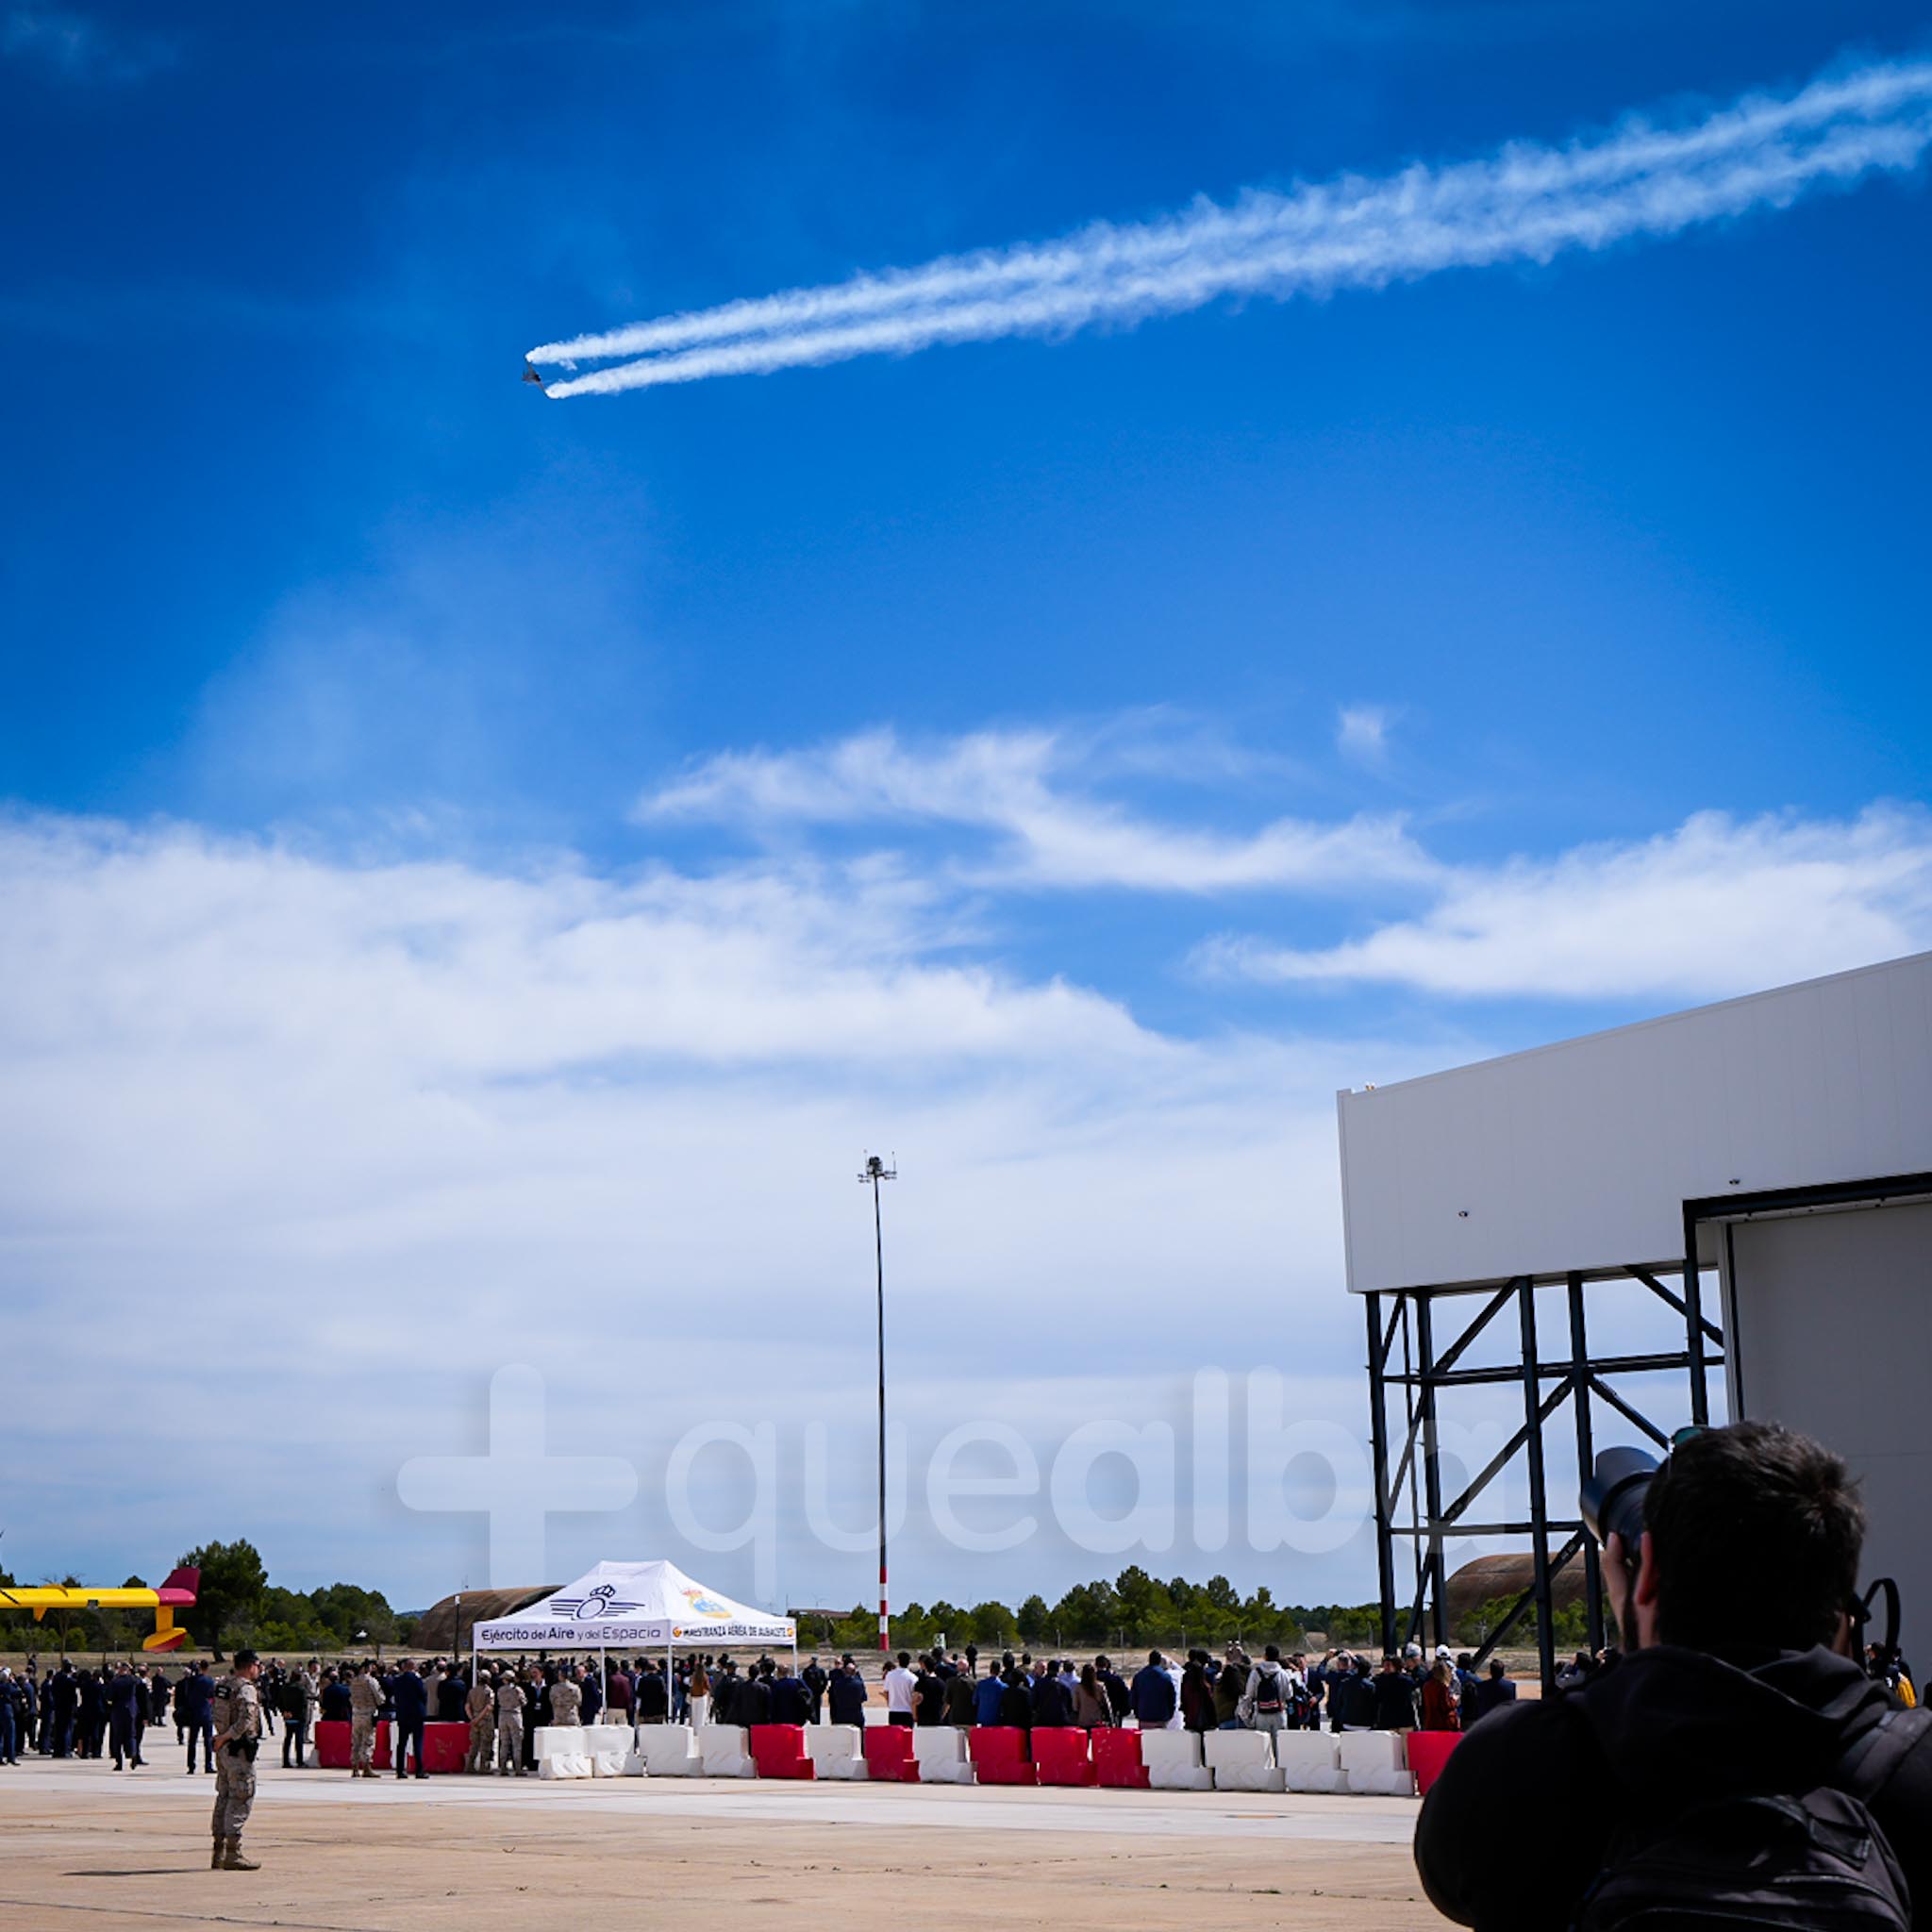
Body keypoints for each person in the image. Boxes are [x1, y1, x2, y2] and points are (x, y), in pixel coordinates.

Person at [1417, 1421, 1932, 1929]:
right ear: (1840, 1601)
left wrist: (1631, 1652)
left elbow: (1449, 1883)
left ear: (1645, 1582)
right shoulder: (1908, 1769)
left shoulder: (1518, 1763)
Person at [207, 1649, 264, 1872]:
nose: (259, 1669)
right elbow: (246, 1720)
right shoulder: (245, 1689)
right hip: (237, 1749)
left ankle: (218, 1851)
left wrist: (221, 1737)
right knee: (241, 1796)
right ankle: (233, 1853)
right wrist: (227, 1736)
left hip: (223, 1749)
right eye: (257, 1665)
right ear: (250, 1666)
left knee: (223, 1796)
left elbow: (216, 1713)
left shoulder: (223, 1685)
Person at [391, 1660, 429, 1778]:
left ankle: (400, 1770)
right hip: (416, 1714)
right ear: (413, 1667)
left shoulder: (397, 1680)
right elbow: (422, 1695)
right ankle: (419, 1770)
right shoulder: (416, 1680)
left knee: (402, 1743)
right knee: (417, 1742)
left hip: (403, 1713)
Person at [348, 1661, 383, 1779]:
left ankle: (355, 1767)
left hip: (356, 1713)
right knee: (368, 1741)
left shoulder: (354, 1681)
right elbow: (380, 1698)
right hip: (368, 1712)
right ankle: (367, 1767)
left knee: (356, 1741)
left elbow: (351, 1698)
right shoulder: (371, 1681)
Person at [1372, 1654, 1420, 1731]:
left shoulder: (1380, 1680)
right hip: (1401, 1720)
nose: (1385, 1668)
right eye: (1384, 1665)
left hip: (1392, 1721)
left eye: (1388, 1665)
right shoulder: (1407, 1680)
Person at [1131, 1650, 1177, 1729]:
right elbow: (1171, 1697)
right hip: (1161, 1717)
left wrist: (1137, 1712)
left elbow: (1133, 1697)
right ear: (1159, 1661)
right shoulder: (1165, 1677)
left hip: (1144, 1716)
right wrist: (1170, 1714)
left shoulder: (1139, 1676)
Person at [494, 1670, 526, 1776]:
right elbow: (524, 1702)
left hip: (503, 1715)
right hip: (514, 1715)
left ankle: (503, 1768)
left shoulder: (500, 1690)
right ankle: (518, 1768)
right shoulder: (517, 1690)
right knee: (516, 1743)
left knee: (504, 1743)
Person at [1464, 1657, 1516, 1724]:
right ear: (1503, 1672)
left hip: (1486, 1719)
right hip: (1504, 1718)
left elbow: (1478, 1702)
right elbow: (1512, 1704)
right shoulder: (1511, 1686)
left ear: (1491, 1672)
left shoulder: (1482, 1686)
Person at [465, 1671, 496, 1774]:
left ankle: (470, 1765)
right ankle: (483, 1767)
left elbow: (467, 1706)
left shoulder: (472, 1691)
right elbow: (488, 1707)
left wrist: (472, 1719)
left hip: (474, 1719)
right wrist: (479, 1718)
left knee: (474, 1744)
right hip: (485, 1720)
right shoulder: (488, 1691)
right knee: (486, 1744)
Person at [1420, 1657, 1460, 1732]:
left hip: (1430, 1722)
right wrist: (1454, 1700)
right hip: (1443, 1723)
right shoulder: (1442, 1687)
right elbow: (1446, 1705)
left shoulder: (1427, 1686)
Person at [827, 1657, 869, 1727]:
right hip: (856, 1715)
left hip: (841, 1715)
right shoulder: (859, 1684)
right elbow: (864, 1698)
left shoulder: (838, 1684)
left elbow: (834, 1697)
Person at [1072, 1663, 1114, 1728]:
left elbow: (1075, 1706)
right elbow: (1106, 1704)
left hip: (1083, 1720)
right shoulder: (1100, 1686)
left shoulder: (1078, 1688)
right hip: (1097, 1720)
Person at [884, 1652, 918, 1727]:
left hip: (894, 1711)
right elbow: (914, 1696)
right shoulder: (913, 1678)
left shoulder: (890, 1675)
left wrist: (890, 1703)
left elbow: (886, 1692)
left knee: (894, 1734)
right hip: (907, 1711)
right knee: (907, 1734)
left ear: (898, 1661)